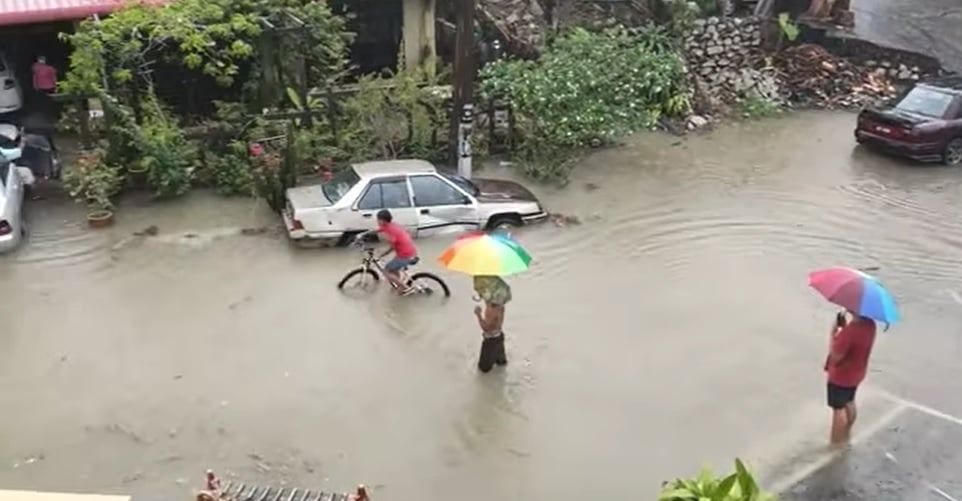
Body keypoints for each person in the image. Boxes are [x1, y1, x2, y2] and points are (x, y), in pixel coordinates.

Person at [824, 310, 877, 446]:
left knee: (838, 409)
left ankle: (836, 443)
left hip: (841, 377)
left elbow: (836, 358)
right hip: (856, 374)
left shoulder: (849, 333)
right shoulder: (870, 325)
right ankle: (846, 434)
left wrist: (834, 334)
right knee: (849, 401)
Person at [373, 209, 418, 294]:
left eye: (378, 219)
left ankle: (406, 288)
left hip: (405, 255)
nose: (377, 221)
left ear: (382, 220)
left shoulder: (391, 231)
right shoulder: (392, 225)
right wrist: (364, 234)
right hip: (410, 252)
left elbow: (392, 248)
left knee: (386, 271)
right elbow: (379, 230)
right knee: (393, 269)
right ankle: (399, 285)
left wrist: (380, 255)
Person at [473, 275, 511, 373]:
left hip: (490, 341)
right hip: (499, 336)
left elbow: (486, 328)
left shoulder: (491, 310)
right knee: (501, 363)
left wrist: (478, 315)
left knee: (483, 369)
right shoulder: (500, 306)